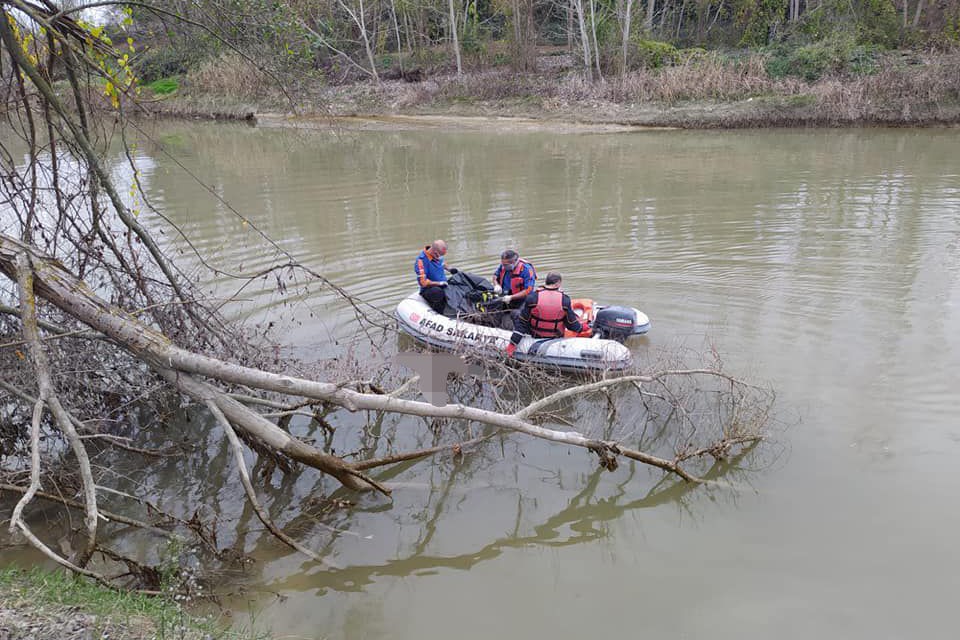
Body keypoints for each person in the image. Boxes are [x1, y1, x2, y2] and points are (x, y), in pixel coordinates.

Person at [506, 272, 583, 357]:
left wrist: (512, 344)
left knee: (515, 313)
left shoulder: (533, 297)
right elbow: (572, 325)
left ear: (546, 282)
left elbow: (522, 323)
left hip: (535, 334)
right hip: (556, 336)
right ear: (558, 283)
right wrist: (581, 328)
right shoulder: (565, 300)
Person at [492, 250, 536, 330]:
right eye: (503, 264)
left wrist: (511, 297)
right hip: (506, 294)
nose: (504, 267)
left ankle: (520, 332)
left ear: (515, 261)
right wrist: (496, 285)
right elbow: (495, 276)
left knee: (519, 316)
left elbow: (528, 290)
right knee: (497, 311)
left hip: (522, 299)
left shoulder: (527, 270)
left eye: (507, 265)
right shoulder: (503, 266)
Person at [414, 240, 457, 314]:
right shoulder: (421, 261)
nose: (440, 258)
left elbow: (442, 263)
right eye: (439, 255)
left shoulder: (438, 255)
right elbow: (423, 282)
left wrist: (450, 269)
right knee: (438, 292)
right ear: (435, 252)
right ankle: (439, 312)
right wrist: (439, 283)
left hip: (443, 284)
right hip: (429, 289)